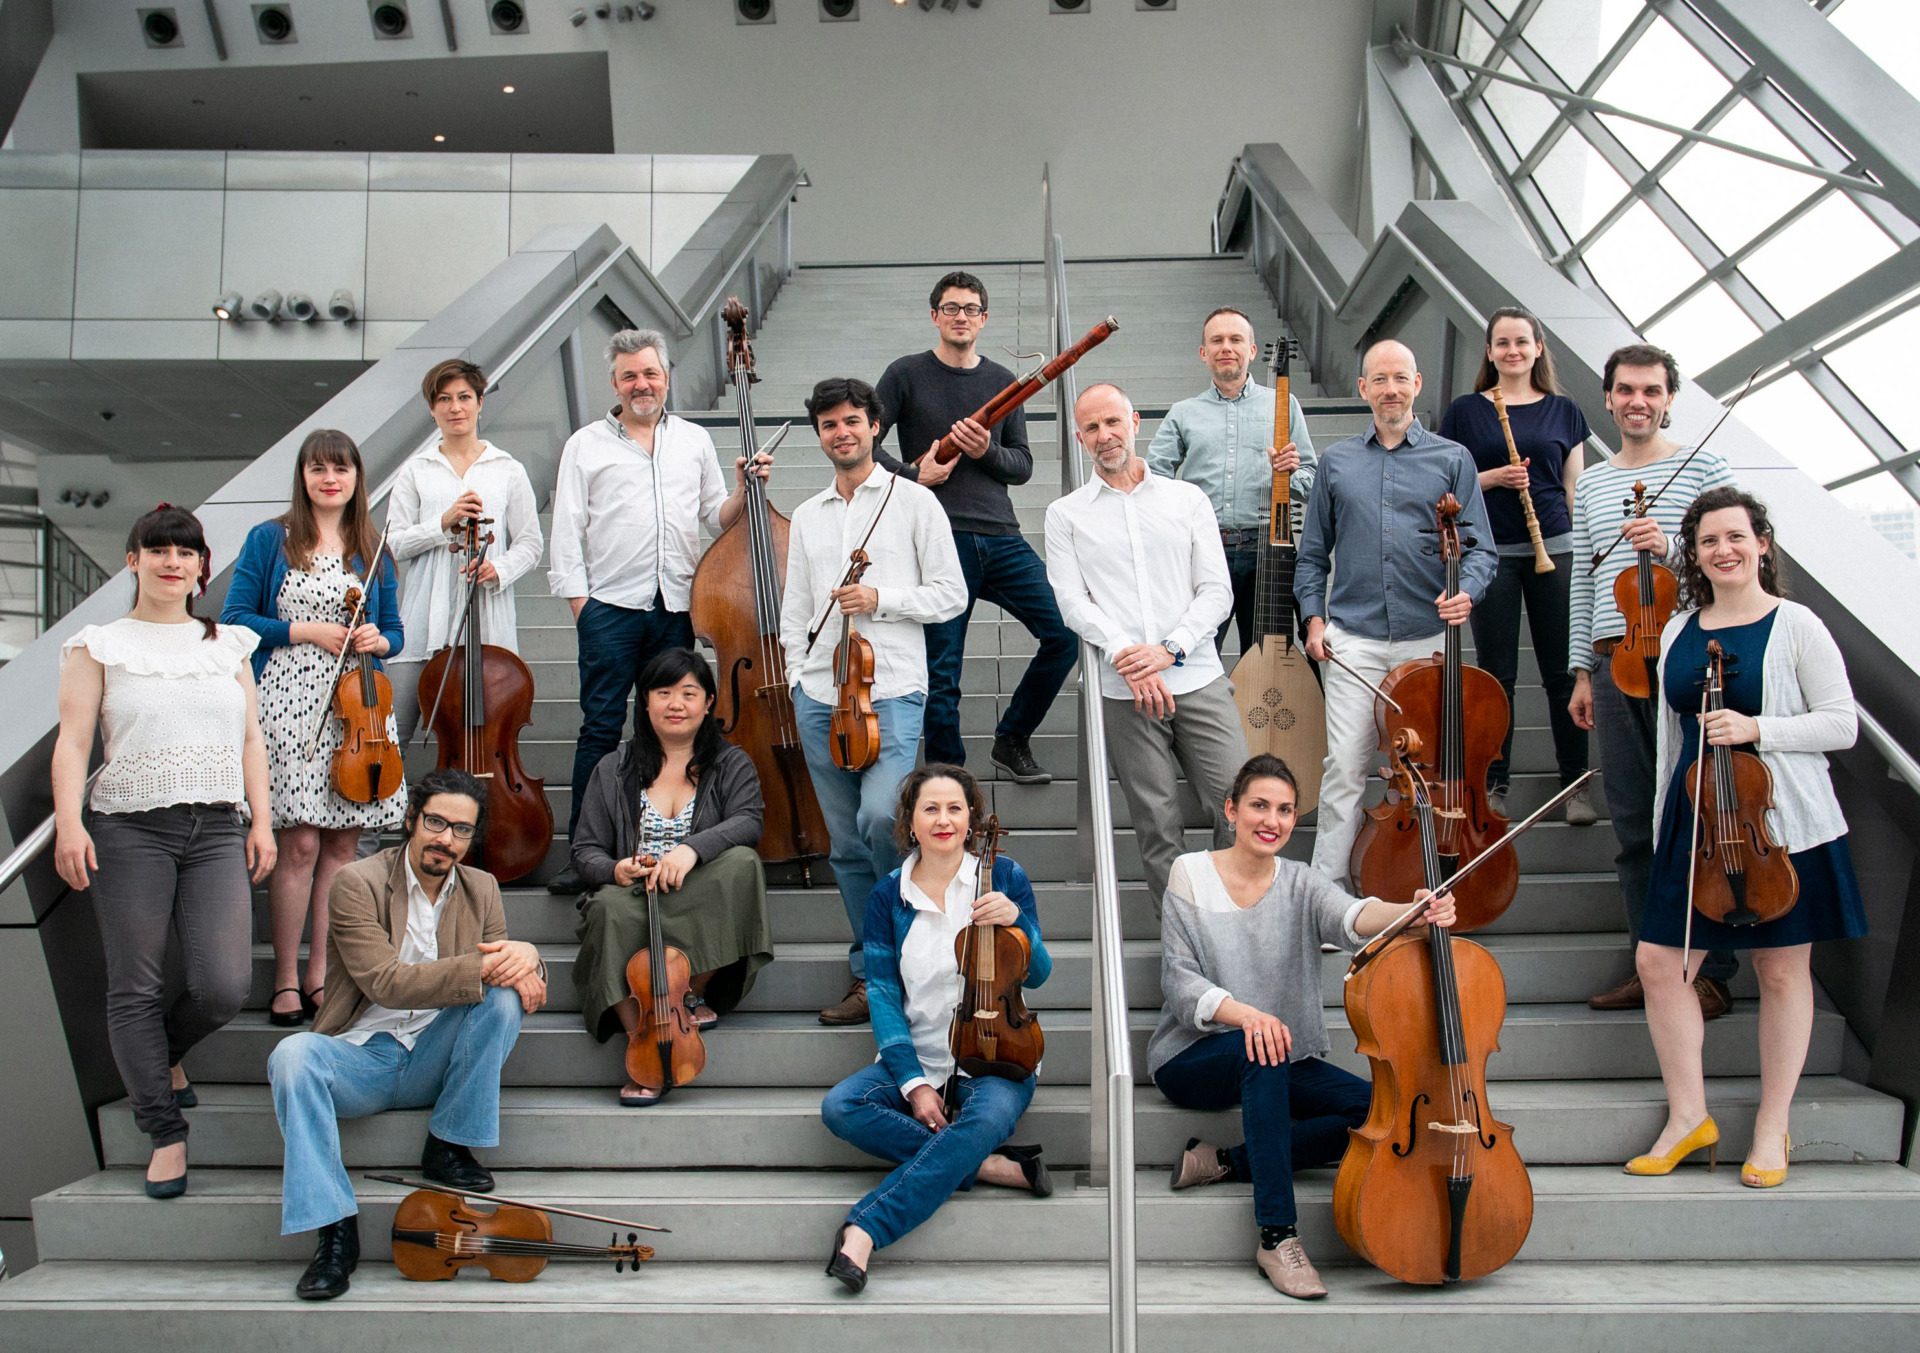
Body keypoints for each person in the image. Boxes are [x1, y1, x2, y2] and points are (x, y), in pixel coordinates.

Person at [1624, 487, 1864, 1188]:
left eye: (1736, 536)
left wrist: (1760, 729)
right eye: (1707, 541)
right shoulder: (1678, 631)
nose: (1723, 550)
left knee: (1782, 971)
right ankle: (1688, 1115)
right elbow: (1673, 736)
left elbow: (1840, 723)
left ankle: (1771, 1124)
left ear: (1762, 541)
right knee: (1659, 964)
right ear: (1693, 555)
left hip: (1779, 828)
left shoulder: (1797, 625)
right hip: (1696, 826)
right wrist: (1670, 818)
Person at [1151, 753, 1455, 1299]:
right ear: (1231, 810)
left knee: (1382, 1111)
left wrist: (1409, 910)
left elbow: (1351, 916)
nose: (1272, 820)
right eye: (1259, 806)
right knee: (1259, 1048)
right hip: (1193, 1056)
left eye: (1286, 810)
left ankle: (1222, 1161)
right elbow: (1179, 981)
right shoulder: (1191, 873)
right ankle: (1276, 1235)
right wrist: (1246, 1015)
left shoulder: (1301, 882)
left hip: (1278, 1053)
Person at [51, 504, 277, 1200]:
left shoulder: (230, 644)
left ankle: (167, 1054)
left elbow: (250, 742)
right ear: (134, 561)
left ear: (200, 567)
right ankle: (164, 1129)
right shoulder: (99, 644)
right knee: (135, 985)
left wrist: (261, 823)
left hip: (215, 828)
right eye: (158, 550)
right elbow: (73, 741)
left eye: (186, 551)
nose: (172, 561)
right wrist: (68, 824)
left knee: (223, 985)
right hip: (128, 829)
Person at [268, 768, 547, 1301]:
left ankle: (448, 1145)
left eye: (461, 830)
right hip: (362, 1058)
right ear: (411, 819)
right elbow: (387, 983)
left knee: (506, 998)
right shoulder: (358, 882)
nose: (447, 839)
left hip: (434, 1057)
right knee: (291, 1056)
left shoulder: (482, 888)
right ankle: (334, 1232)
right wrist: (491, 967)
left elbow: (503, 970)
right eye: (437, 822)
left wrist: (530, 958)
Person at [821, 764, 1054, 1293]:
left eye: (955, 808)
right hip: (921, 1053)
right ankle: (985, 1163)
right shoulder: (888, 896)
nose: (944, 819)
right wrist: (913, 1082)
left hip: (999, 1051)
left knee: (988, 1111)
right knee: (840, 1107)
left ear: (972, 817)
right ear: (910, 820)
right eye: (931, 808)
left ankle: (864, 1229)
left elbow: (1038, 973)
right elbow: (881, 993)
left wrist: (1017, 921)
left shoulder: (1005, 876)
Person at [545, 328, 762, 895]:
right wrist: (581, 608)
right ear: (614, 383)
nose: (642, 384)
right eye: (629, 375)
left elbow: (718, 515)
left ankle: (684, 843)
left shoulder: (692, 440)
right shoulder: (585, 444)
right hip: (610, 608)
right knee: (600, 728)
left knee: (676, 727)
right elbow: (566, 530)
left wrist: (742, 490)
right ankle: (583, 856)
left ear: (665, 377)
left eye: (651, 373)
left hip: (677, 606)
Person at [781, 376, 967, 1026]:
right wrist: (793, 671)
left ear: (875, 425)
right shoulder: (806, 516)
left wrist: (882, 598)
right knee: (843, 845)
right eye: (829, 423)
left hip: (891, 690)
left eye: (851, 420)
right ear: (821, 435)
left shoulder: (914, 502)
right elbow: (796, 608)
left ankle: (914, 947)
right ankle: (873, 973)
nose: (842, 432)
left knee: (880, 818)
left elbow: (951, 594)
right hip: (818, 695)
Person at [1571, 344, 1739, 1019]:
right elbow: (1586, 575)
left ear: (1670, 397)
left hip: (1690, 656)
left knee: (1700, 814)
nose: (1637, 401)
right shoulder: (1592, 482)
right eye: (1625, 390)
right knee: (1634, 820)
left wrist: (1667, 548)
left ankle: (1713, 970)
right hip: (1617, 661)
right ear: (1607, 399)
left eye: (1651, 389)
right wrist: (1581, 668)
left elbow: (1734, 558)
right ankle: (1652, 963)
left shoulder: (1705, 465)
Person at [1296, 340, 1496, 889]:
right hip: (1353, 640)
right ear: (1363, 389)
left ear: (1417, 384)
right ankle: (1327, 892)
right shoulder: (1336, 462)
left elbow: (1482, 551)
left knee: (1433, 768)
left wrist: (1467, 593)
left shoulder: (1452, 459)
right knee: (1344, 767)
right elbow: (1312, 555)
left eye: (1399, 379)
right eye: (1379, 380)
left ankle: (1421, 879)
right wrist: (1313, 620)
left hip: (1428, 640)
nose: (1390, 390)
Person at [223, 429, 405, 1026]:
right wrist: (303, 631)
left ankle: (322, 974)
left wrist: (380, 639)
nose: (330, 478)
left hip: (359, 706)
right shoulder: (270, 539)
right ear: (302, 477)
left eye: (342, 468)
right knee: (298, 841)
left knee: (343, 845)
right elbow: (236, 621)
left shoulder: (374, 547)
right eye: (318, 468)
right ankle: (282, 977)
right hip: (288, 700)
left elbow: (395, 632)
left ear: (357, 478)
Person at [1046, 381, 1247, 909]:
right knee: (1158, 826)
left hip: (1198, 677)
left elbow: (1216, 590)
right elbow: (1072, 603)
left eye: (1113, 422)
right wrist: (1127, 654)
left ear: (1135, 423)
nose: (1104, 435)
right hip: (1123, 690)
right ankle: (1183, 936)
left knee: (1239, 803)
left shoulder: (1187, 499)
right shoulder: (1065, 515)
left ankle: (1237, 920)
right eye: (1091, 427)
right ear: (1079, 437)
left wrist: (1169, 649)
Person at [872, 271, 1077, 785]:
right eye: (950, 308)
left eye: (970, 309)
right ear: (934, 315)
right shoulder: (905, 374)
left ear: (984, 319)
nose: (960, 316)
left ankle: (1011, 739)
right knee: (943, 671)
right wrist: (911, 473)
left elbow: (1023, 465)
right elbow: (866, 442)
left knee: (1065, 633)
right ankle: (948, 778)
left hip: (1003, 538)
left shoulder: (1003, 380)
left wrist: (986, 449)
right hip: (941, 540)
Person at [571, 647, 773, 1105]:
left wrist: (691, 849)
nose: (676, 704)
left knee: (742, 865)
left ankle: (690, 993)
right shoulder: (613, 768)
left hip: (694, 892)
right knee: (605, 908)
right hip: (634, 898)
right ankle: (643, 1046)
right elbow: (584, 851)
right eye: (663, 692)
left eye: (689, 693)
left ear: (709, 702)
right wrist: (616, 869)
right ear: (645, 702)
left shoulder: (730, 762)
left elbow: (749, 822)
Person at [1438, 306, 1593, 825]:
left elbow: (1575, 488)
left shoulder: (1564, 411)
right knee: (1497, 674)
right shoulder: (1465, 410)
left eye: (1522, 342)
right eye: (1502, 343)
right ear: (1489, 352)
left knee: (1562, 674)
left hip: (1556, 548)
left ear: (1538, 347)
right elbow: (1448, 485)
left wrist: (1577, 539)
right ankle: (1495, 782)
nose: (1512, 351)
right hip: (1491, 553)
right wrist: (1495, 479)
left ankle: (1575, 786)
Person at [384, 357, 543, 746]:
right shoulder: (416, 470)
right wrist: (443, 523)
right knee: (394, 739)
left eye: (464, 397)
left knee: (487, 744)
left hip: (487, 625)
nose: (455, 407)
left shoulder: (507, 468)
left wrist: (498, 569)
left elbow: (531, 542)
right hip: (423, 622)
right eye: (443, 399)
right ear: (432, 408)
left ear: (479, 402)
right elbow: (395, 542)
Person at [1147, 306, 1318, 658]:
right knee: (1195, 654)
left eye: (1236, 339)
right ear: (1203, 353)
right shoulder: (1183, 413)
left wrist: (1289, 474)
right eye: (1217, 340)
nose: (1226, 347)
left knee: (1267, 663)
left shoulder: (1283, 404)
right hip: (1204, 550)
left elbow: (1313, 481)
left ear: (1252, 350)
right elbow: (1153, 480)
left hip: (1268, 549)